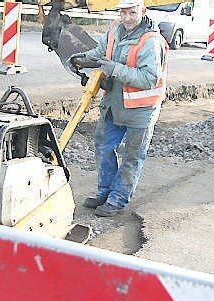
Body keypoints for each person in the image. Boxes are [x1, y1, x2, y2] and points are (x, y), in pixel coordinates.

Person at [70, 0, 168, 217]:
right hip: (114, 103)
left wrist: (116, 69)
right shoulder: (115, 28)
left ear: (143, 11)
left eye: (132, 12)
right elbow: (101, 51)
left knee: (132, 156)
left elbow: (149, 78)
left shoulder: (150, 41)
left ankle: (118, 198)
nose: (126, 18)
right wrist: (82, 59)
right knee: (104, 147)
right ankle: (105, 192)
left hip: (141, 109)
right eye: (122, 12)